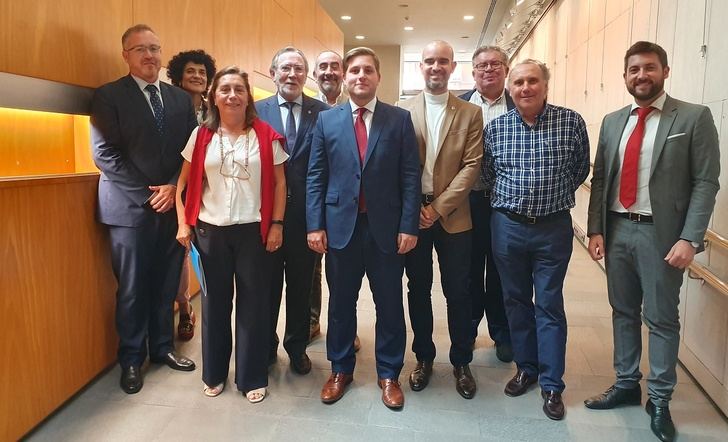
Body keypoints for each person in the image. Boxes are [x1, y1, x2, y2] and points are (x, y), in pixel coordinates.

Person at [583, 41, 720, 442]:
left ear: (665, 70)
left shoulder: (693, 117)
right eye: (633, 70)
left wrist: (690, 238)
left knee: (660, 318)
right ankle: (626, 383)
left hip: (662, 235)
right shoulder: (612, 121)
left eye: (649, 68)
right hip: (618, 228)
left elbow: (706, 182)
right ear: (624, 76)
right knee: (622, 310)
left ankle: (659, 399)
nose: (641, 75)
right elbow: (602, 180)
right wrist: (595, 230)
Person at [307, 47, 420, 409]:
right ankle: (340, 369)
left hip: (385, 228)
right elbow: (316, 176)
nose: (360, 76)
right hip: (341, 228)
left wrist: (408, 226)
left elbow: (409, 177)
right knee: (341, 304)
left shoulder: (399, 119)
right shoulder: (327, 121)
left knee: (389, 304)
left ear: (378, 77)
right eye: (354, 70)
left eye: (367, 70)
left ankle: (389, 374)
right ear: (345, 76)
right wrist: (315, 225)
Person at [90, 24, 198, 394]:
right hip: (128, 211)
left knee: (166, 283)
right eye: (141, 49)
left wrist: (173, 188)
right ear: (126, 55)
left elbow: (191, 151)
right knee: (133, 288)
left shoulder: (180, 99)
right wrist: (150, 194)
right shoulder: (108, 96)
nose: (150, 55)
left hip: (172, 207)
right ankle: (132, 359)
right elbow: (105, 154)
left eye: (155, 47)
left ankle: (163, 348)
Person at [483, 59, 590, 420]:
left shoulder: (571, 122)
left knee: (548, 303)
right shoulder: (496, 129)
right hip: (508, 227)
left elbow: (579, 168)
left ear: (545, 85)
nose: (525, 88)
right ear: (510, 89)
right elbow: (489, 173)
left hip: (552, 229)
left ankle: (552, 384)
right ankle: (526, 368)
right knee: (514, 300)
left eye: (532, 81)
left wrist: (549, 198)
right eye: (519, 83)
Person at [175, 66, 288, 403]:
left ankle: (252, 376)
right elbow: (182, 184)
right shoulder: (201, 137)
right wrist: (184, 223)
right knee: (214, 305)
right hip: (210, 233)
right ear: (214, 96)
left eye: (239, 89)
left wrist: (277, 225)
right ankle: (213, 373)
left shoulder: (265, 135)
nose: (232, 95)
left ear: (248, 96)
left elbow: (281, 184)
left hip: (254, 232)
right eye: (225, 89)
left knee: (254, 306)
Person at [398, 40, 482, 399]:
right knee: (417, 289)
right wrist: (415, 208)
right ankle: (424, 357)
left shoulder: (469, 112)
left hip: (454, 217)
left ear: (452, 67)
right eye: (429, 60)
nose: (436, 67)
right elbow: (397, 167)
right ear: (421, 66)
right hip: (413, 215)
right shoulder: (401, 111)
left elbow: (472, 166)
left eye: (443, 61)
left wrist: (438, 208)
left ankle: (461, 360)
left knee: (458, 291)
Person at [255, 47, 328, 374]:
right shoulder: (255, 112)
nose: (292, 75)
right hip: (265, 216)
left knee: (301, 287)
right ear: (273, 73)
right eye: (285, 68)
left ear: (306, 75)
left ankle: (296, 347)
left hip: (306, 218)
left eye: (299, 69)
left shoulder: (323, 113)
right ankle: (266, 346)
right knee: (266, 286)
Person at [458, 45, 514, 362]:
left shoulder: (519, 104)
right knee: (467, 270)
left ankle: (502, 333)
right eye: (482, 65)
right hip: (468, 202)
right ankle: (466, 334)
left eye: (495, 64)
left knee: (502, 269)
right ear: (473, 71)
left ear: (506, 69)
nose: (488, 69)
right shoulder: (460, 105)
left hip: (506, 205)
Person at [309, 49, 361, 351]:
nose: (329, 71)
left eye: (334, 66)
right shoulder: (307, 107)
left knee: (343, 280)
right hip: (314, 202)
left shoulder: (354, 103)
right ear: (315, 73)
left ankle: (344, 330)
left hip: (348, 207)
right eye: (322, 66)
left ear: (343, 72)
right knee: (313, 271)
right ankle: (312, 321)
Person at [166, 49, 217, 340]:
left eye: (202, 72)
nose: (197, 76)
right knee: (180, 251)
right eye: (191, 71)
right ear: (178, 76)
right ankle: (184, 306)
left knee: (198, 252)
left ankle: (201, 307)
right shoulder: (169, 106)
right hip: (178, 187)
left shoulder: (214, 109)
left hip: (210, 190)